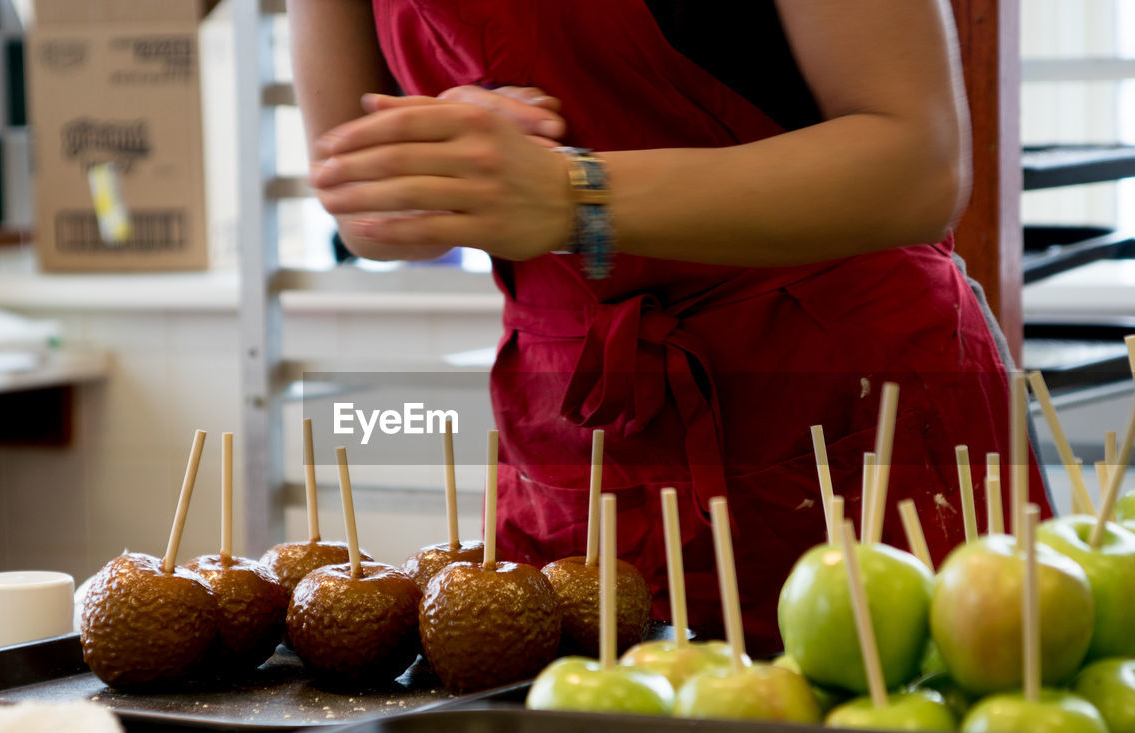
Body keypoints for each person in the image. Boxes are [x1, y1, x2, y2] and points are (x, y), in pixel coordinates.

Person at [291, 0, 1049, 652]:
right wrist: (438, 163)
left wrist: (577, 196)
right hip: (573, 432)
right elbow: (356, 202)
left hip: (842, 402)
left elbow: (918, 162)